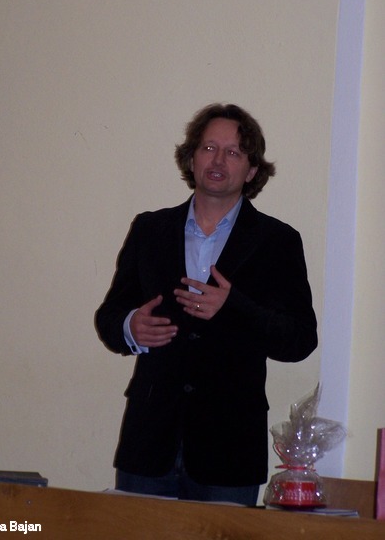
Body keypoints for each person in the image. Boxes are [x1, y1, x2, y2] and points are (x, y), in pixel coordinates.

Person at [95, 103, 318, 505]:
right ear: (191, 158)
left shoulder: (278, 242)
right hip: (149, 443)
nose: (218, 160)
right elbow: (109, 318)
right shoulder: (150, 229)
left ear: (251, 171)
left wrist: (235, 307)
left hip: (230, 449)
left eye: (233, 152)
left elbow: (300, 339)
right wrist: (130, 326)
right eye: (209, 148)